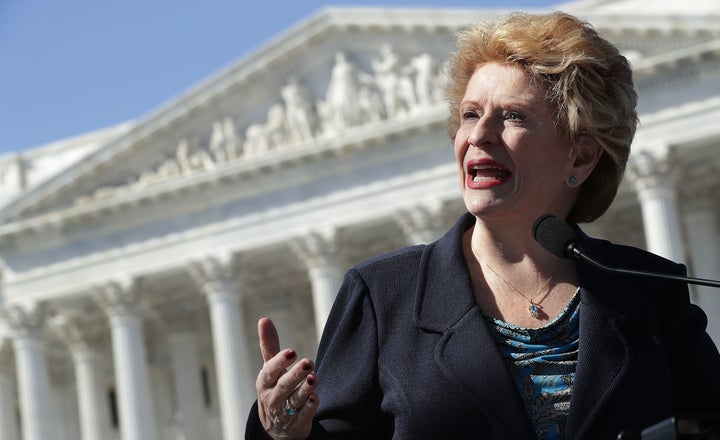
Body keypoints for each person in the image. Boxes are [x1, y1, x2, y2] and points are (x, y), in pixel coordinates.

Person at [246, 11, 720, 439]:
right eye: (470, 115)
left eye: (512, 116)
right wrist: (281, 432)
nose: (478, 135)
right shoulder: (382, 297)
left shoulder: (650, 293)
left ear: (580, 154)